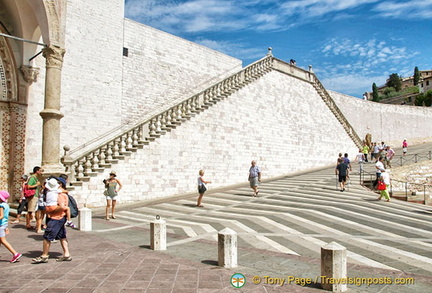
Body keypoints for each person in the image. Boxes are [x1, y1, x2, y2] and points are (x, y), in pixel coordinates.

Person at [32, 179, 72, 263]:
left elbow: (62, 207)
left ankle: (44, 255)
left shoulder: (60, 195)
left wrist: (50, 211)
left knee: (47, 236)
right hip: (59, 218)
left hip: (56, 218)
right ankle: (66, 254)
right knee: (62, 236)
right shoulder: (57, 193)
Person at [0, 190, 22, 263]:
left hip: (1, 225)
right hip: (4, 224)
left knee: (3, 240)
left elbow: (1, 216)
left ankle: (15, 253)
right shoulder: (6, 205)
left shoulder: (1, 205)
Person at [27, 166, 43, 231]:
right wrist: (36, 184)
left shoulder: (35, 178)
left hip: (35, 195)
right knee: (30, 210)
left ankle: (36, 224)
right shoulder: (32, 178)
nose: (41, 172)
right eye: (40, 171)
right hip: (33, 195)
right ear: (37, 171)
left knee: (35, 210)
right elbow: (28, 186)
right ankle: (28, 223)